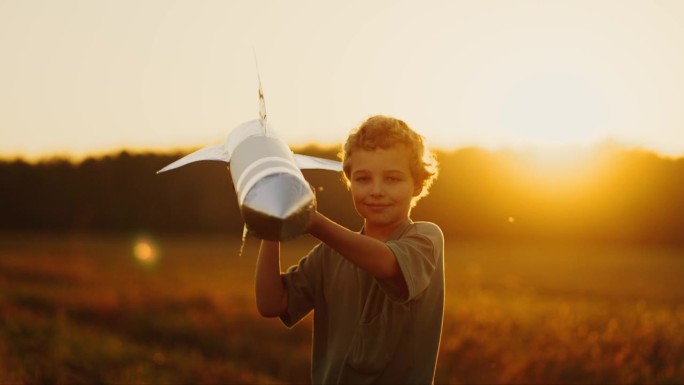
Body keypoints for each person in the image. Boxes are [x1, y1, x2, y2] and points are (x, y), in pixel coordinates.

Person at [255, 115, 444, 384]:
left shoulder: (426, 239)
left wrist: (313, 222)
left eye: (392, 179)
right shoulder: (329, 255)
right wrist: (271, 226)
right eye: (363, 179)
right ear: (349, 181)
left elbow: (386, 263)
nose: (376, 190)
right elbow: (271, 303)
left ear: (417, 184)